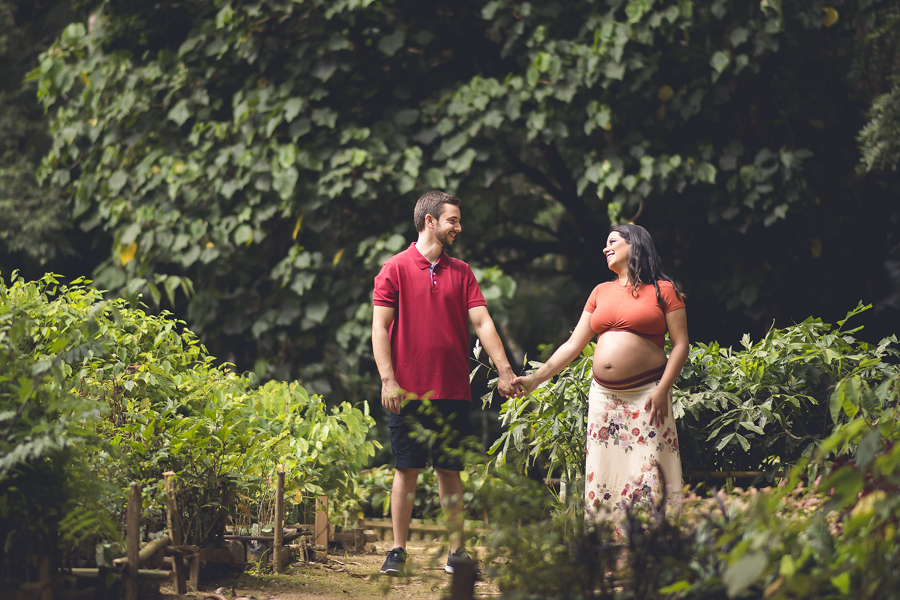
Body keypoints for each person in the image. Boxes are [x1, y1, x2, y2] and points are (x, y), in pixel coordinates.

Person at [372, 190, 521, 576]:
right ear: (430, 221)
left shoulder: (463, 271)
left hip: (454, 388)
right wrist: (388, 380)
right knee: (406, 469)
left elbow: (483, 323)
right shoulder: (395, 268)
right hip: (407, 391)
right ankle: (397, 551)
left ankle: (456, 553)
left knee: (449, 470)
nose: (459, 226)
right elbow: (380, 327)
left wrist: (504, 369)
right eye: (453, 219)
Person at [512, 223, 688, 526]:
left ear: (634, 245)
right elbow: (572, 345)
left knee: (648, 471)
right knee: (606, 474)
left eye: (613, 242)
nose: (606, 248)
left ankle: (651, 549)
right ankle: (609, 553)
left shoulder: (663, 290)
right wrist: (535, 378)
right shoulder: (600, 291)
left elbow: (681, 345)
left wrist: (662, 391)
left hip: (648, 394)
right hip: (604, 397)